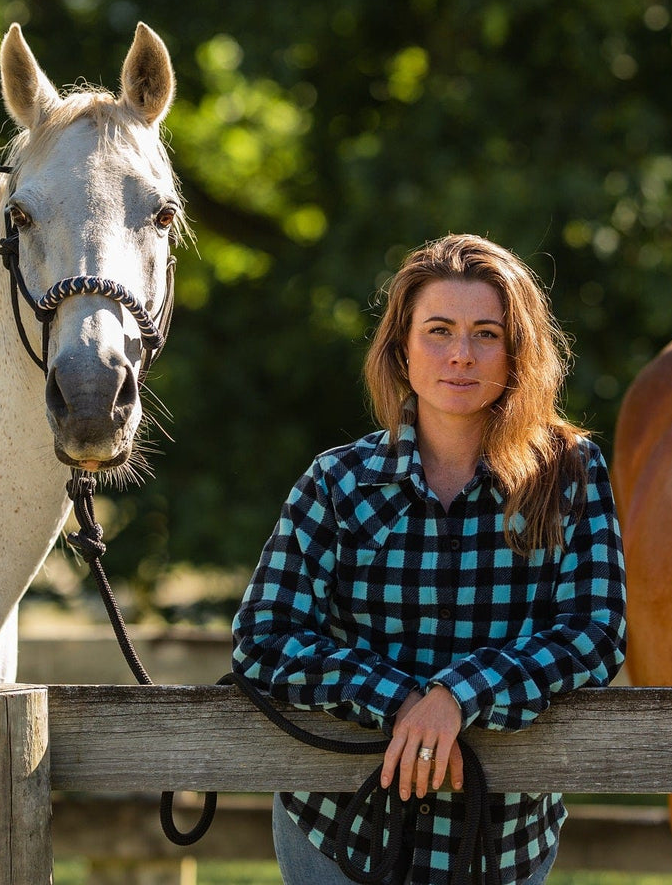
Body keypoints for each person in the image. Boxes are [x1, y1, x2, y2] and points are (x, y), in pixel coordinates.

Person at [232, 233, 627, 884]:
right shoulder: (339, 482)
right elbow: (264, 638)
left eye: (486, 334)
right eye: (438, 330)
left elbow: (595, 634)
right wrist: (402, 702)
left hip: (499, 837)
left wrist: (457, 696)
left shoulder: (569, 472)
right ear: (401, 349)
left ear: (517, 348)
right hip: (340, 830)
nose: (461, 355)